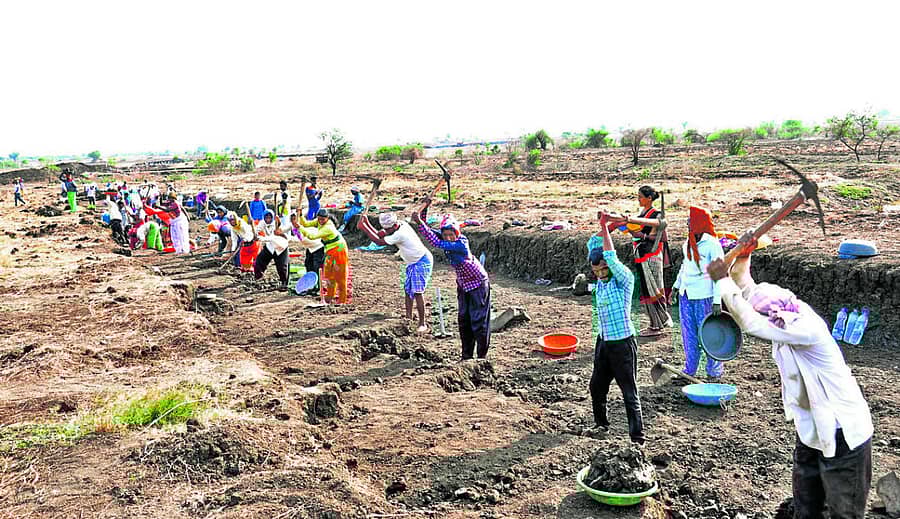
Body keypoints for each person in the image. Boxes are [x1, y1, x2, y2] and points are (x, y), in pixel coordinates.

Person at [707, 234, 873, 519]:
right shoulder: (782, 311)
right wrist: (743, 257)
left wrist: (722, 281)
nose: (764, 318)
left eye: (766, 316)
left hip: (844, 434)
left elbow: (750, 321)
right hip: (811, 431)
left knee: (844, 512)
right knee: (805, 508)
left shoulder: (803, 326)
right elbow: (747, 289)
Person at [587, 211, 645, 444]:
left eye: (603, 269)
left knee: (629, 393)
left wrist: (605, 223)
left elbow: (610, 256)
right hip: (604, 343)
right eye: (596, 271)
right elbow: (593, 242)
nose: (600, 274)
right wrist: (608, 226)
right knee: (596, 387)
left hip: (622, 344)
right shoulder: (600, 282)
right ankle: (601, 426)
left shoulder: (624, 281)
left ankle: (637, 439)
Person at [412, 198, 490, 359]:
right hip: (463, 285)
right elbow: (428, 230)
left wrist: (419, 222)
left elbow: (435, 242)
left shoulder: (461, 244)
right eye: (445, 234)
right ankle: (466, 356)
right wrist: (424, 208)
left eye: (451, 234)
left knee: (478, 321)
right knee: (463, 320)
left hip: (478, 284)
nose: (448, 238)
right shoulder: (445, 237)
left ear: (457, 233)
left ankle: (481, 357)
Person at [671, 206, 725, 379]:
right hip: (686, 294)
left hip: (704, 296)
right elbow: (685, 266)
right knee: (689, 335)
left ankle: (714, 372)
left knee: (709, 335)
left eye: (691, 220)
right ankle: (690, 369)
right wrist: (676, 286)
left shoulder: (712, 245)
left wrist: (717, 300)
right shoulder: (688, 243)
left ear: (700, 223)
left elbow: (719, 274)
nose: (687, 223)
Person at [357, 212, 433, 332]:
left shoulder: (400, 234)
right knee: (408, 289)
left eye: (387, 229)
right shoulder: (398, 225)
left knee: (417, 292)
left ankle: (422, 323)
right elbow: (378, 234)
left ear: (393, 226)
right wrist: (366, 223)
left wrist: (364, 228)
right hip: (413, 262)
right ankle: (408, 317)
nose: (385, 231)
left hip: (421, 261)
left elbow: (379, 241)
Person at [620, 185, 672, 337]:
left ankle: (657, 324)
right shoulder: (643, 214)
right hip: (642, 254)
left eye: (641, 196)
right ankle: (656, 322)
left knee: (653, 289)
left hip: (651, 256)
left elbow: (658, 236)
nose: (638, 199)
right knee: (647, 288)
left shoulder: (656, 215)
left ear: (649, 198)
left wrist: (638, 233)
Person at [295, 209, 351, 304]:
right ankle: (329, 296)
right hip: (329, 251)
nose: (320, 221)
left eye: (322, 219)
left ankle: (342, 299)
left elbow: (313, 236)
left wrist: (299, 228)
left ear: (327, 218)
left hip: (339, 249)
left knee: (340, 274)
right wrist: (300, 216)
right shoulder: (318, 221)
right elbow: (306, 224)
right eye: (319, 219)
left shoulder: (328, 227)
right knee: (329, 273)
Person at [254, 210, 290, 289]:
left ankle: (284, 283)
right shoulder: (262, 223)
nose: (268, 219)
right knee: (259, 261)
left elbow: (273, 237)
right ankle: (258, 277)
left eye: (270, 217)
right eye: (266, 217)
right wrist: (254, 233)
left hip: (280, 247)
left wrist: (261, 238)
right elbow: (257, 230)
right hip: (270, 247)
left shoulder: (276, 224)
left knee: (282, 266)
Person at [289, 212, 325, 292]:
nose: (293, 221)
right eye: (292, 220)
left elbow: (300, 237)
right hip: (310, 248)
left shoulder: (304, 228)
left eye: (294, 219)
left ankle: (318, 286)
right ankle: (310, 283)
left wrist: (298, 227)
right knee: (308, 264)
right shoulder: (294, 227)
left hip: (318, 247)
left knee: (317, 266)